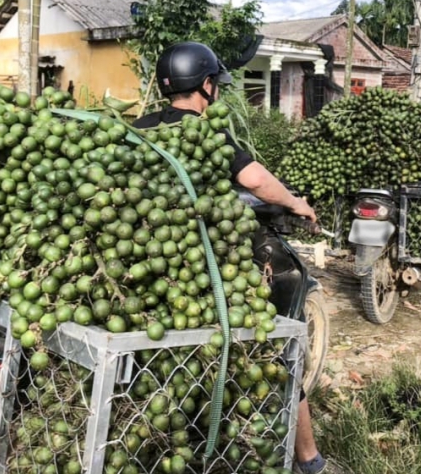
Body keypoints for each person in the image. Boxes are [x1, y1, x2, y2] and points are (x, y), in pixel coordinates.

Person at [134, 42, 344, 474]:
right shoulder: (206, 134)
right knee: (281, 351)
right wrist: (297, 203)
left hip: (153, 255)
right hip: (208, 262)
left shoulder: (143, 126)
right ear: (206, 86)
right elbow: (258, 181)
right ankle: (310, 460)